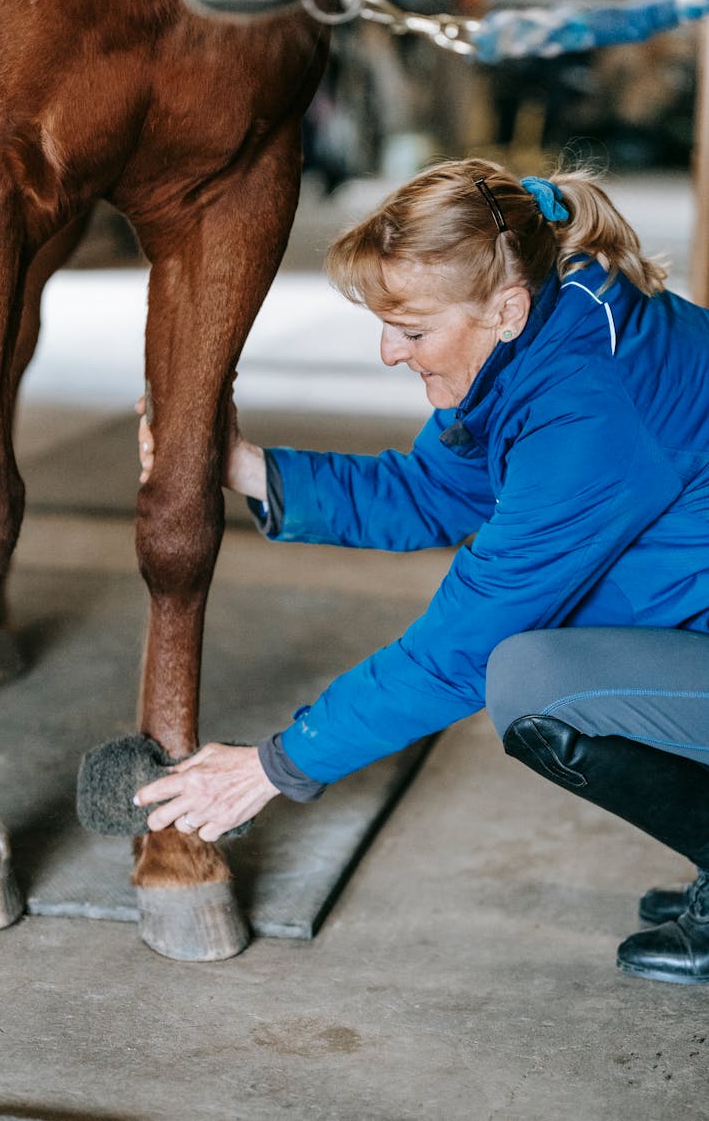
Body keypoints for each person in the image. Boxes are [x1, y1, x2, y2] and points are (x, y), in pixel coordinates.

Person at [134, 157, 709, 985]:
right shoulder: (543, 328)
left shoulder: (586, 406)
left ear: (503, 309)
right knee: (550, 641)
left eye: (411, 330)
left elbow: (460, 646)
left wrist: (273, 765)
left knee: (530, 676)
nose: (386, 351)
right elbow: (433, 491)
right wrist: (248, 466)